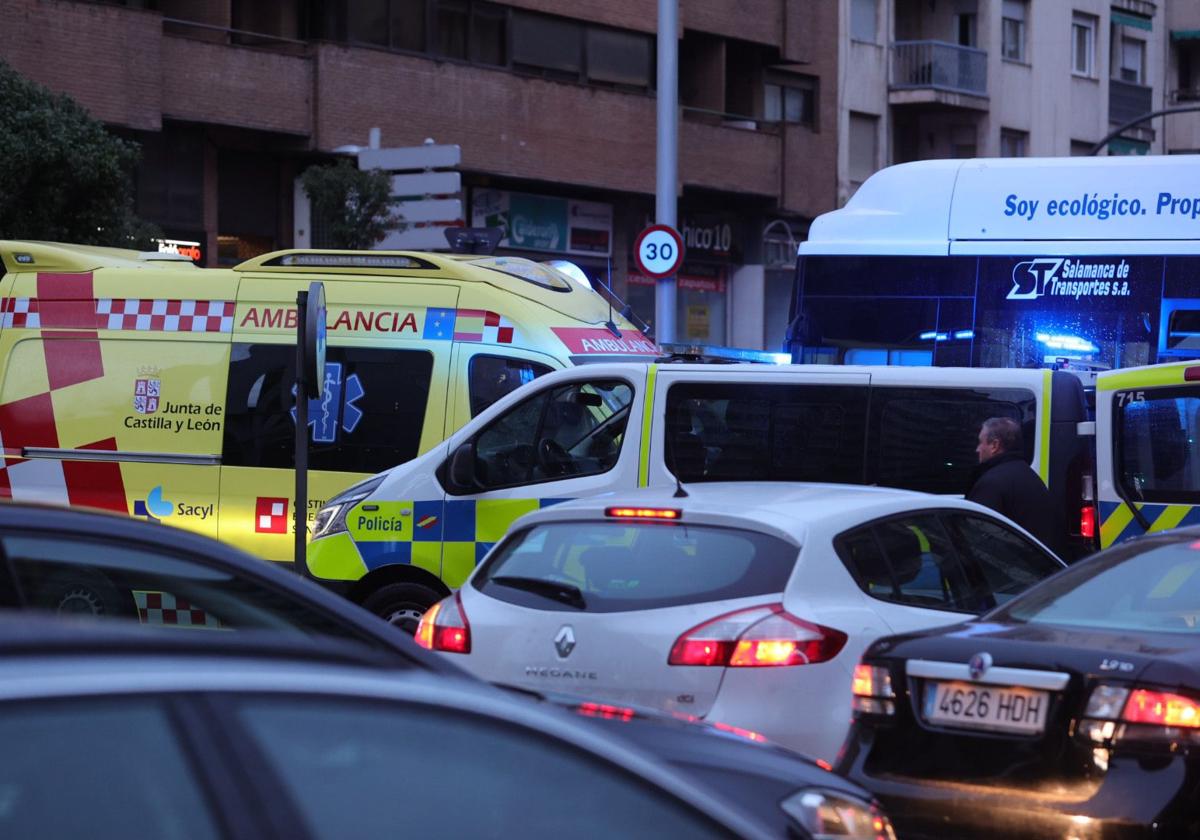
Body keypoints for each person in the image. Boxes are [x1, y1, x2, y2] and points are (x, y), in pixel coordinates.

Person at [966, 417, 1066, 557]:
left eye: (980, 442)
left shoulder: (991, 483)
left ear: (994, 445)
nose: (977, 449)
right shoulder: (1028, 475)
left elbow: (977, 540)